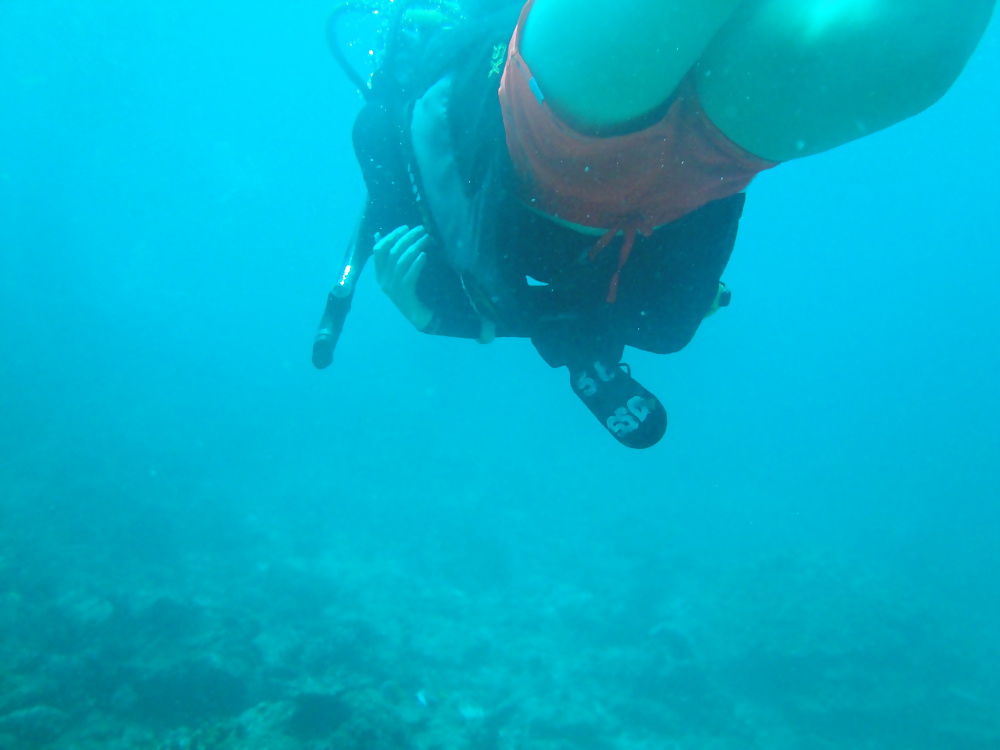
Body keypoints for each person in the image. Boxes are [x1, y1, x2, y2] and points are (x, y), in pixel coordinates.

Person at [314, 0, 995, 448]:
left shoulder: (394, 119)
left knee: (927, 42)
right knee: (929, 41)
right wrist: (442, 312)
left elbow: (448, 272)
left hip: (651, 150)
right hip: (626, 139)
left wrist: (443, 315)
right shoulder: (423, 87)